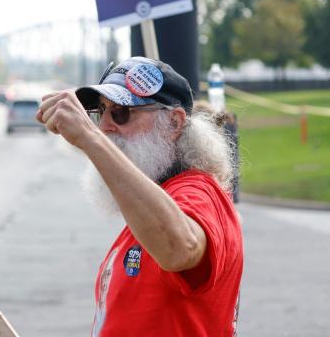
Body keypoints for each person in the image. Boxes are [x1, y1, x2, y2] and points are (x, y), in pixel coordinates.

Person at [36, 56, 243, 336]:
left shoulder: (198, 191)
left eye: (121, 112)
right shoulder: (150, 202)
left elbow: (180, 248)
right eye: (100, 112)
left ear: (173, 124)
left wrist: (89, 138)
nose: (105, 127)